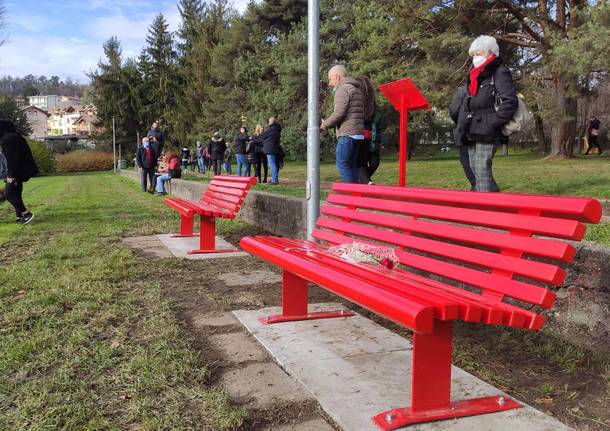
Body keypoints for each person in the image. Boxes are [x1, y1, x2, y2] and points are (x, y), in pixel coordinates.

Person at [451, 35, 518, 192]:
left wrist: (492, 122)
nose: (475, 57)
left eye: (478, 54)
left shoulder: (499, 72)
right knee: (475, 172)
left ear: (490, 53)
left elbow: (510, 102)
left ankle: (485, 211)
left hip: (487, 130)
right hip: (471, 129)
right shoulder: (474, 75)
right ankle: (495, 207)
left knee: (482, 172)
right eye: (473, 54)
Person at [321, 65, 364, 183]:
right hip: (358, 133)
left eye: (330, 79)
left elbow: (339, 113)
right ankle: (357, 196)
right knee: (352, 165)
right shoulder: (355, 89)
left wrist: (325, 124)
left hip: (347, 134)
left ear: (337, 76)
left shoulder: (342, 89)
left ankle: (351, 196)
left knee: (343, 164)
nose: (330, 84)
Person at [0, 119, 38, 224]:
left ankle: (26, 214)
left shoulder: (7, 139)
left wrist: (10, 174)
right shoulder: (16, 136)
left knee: (9, 194)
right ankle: (19, 217)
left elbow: (12, 158)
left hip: (17, 170)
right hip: (22, 169)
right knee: (16, 193)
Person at [449, 86, 477, 190]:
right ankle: (478, 187)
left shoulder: (463, 90)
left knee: (466, 160)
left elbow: (453, 110)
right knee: (482, 164)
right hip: (484, 130)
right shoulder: (490, 86)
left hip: (466, 130)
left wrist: (460, 122)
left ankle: (477, 186)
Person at [356, 76, 376, 184]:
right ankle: (366, 181)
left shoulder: (358, 99)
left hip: (358, 131)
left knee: (358, 162)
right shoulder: (371, 101)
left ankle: (367, 182)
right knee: (363, 161)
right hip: (368, 133)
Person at [260, 117, 282, 184]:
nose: (268, 123)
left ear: (271, 122)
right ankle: (275, 179)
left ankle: (274, 180)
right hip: (276, 148)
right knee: (275, 165)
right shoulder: (278, 129)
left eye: (269, 121)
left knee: (272, 165)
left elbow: (262, 136)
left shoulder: (270, 129)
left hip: (270, 149)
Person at [369, 109, 385, 182]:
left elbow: (380, 129)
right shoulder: (361, 112)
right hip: (364, 143)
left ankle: (364, 179)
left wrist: (382, 140)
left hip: (374, 145)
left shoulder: (378, 115)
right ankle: (365, 180)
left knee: (375, 163)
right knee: (362, 164)